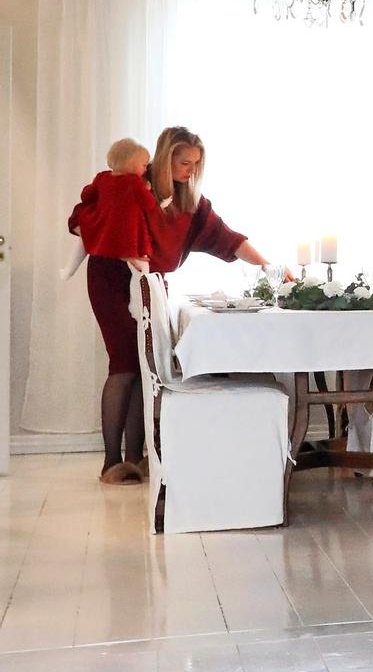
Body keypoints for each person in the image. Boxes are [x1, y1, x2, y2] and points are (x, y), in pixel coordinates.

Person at [72, 123, 274, 484]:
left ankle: (136, 457)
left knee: (144, 365)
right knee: (124, 362)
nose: (191, 170)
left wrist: (268, 267)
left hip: (150, 283)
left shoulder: (190, 204)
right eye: (184, 162)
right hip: (112, 277)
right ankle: (110, 462)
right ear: (166, 158)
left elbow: (227, 238)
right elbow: (83, 217)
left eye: (197, 163)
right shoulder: (131, 180)